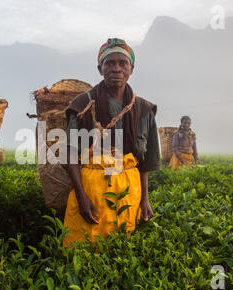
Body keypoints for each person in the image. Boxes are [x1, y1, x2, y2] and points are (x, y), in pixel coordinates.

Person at [63, 38, 161, 247]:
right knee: (83, 250)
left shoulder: (144, 109)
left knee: (120, 253)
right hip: (91, 191)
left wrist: (145, 199)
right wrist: (81, 197)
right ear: (100, 69)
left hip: (128, 191)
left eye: (122, 63)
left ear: (131, 69)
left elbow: (144, 162)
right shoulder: (82, 104)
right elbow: (69, 154)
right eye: (110, 63)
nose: (116, 68)